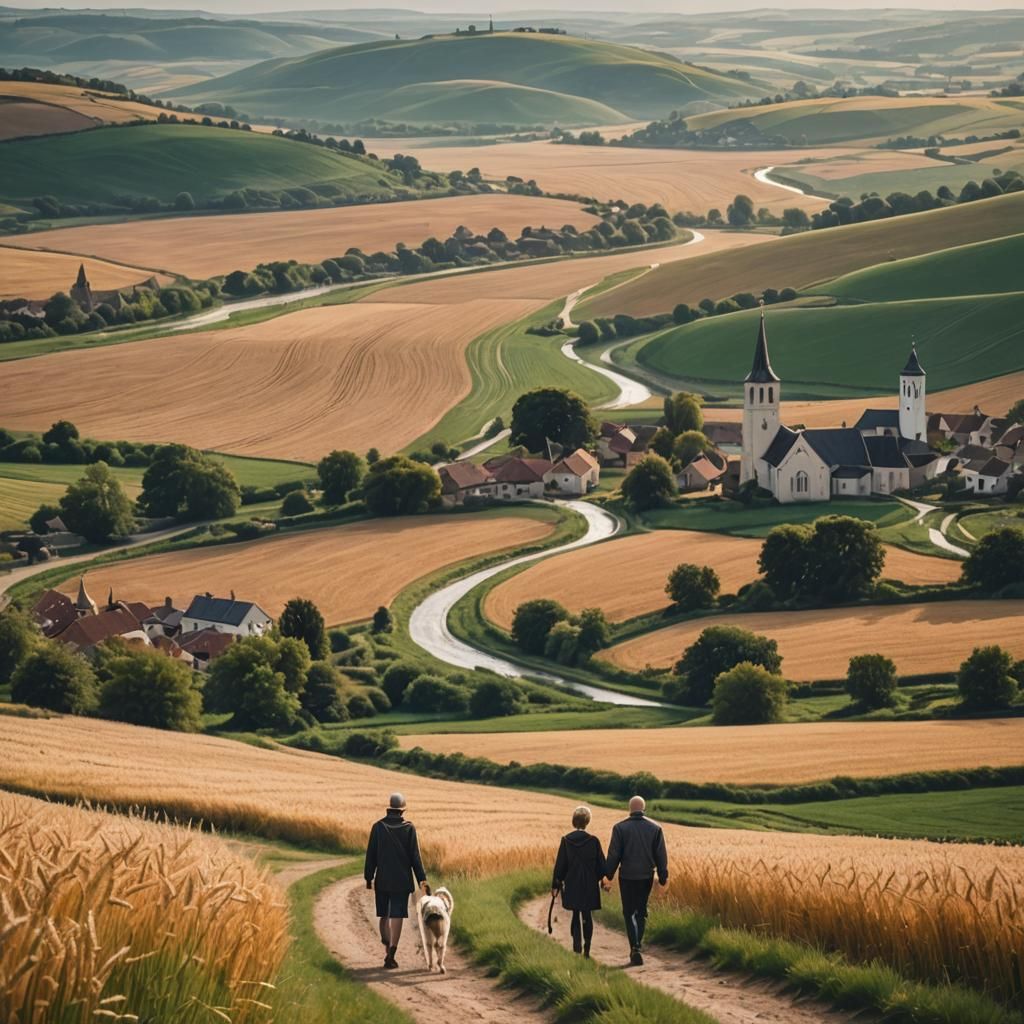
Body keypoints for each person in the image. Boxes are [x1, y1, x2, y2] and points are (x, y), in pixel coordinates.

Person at [364, 792, 427, 969]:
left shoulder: (377, 827)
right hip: (402, 881)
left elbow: (371, 855)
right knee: (397, 915)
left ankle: (386, 944)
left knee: (384, 915)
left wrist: (369, 877)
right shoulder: (409, 828)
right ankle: (392, 953)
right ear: (402, 810)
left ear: (389, 808)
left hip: (383, 879)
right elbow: (416, 857)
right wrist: (422, 879)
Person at [604, 795, 668, 967]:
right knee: (642, 911)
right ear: (644, 808)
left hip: (627, 876)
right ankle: (637, 947)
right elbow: (661, 855)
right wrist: (663, 876)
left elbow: (614, 855)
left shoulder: (619, 828)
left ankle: (635, 947)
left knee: (628, 912)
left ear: (629, 809)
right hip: (646, 876)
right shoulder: (655, 828)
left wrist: (608, 874)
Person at [551, 805, 606, 957]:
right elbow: (601, 865)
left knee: (575, 913)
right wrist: (603, 880)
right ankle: (587, 947)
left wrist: (555, 886)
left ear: (573, 821)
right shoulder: (594, 840)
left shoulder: (566, 840)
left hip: (573, 883)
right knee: (587, 915)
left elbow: (560, 865)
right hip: (589, 884)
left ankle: (576, 947)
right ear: (587, 822)